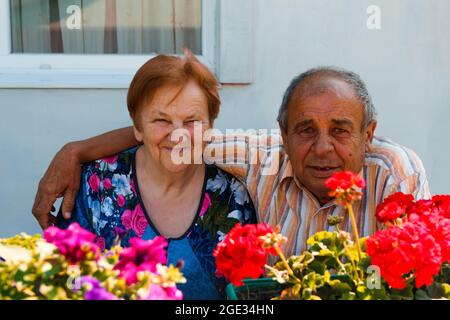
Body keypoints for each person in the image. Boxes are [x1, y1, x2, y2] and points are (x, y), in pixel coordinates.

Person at [33, 66, 430, 257]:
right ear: (282, 132)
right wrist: (77, 151)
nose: (323, 147)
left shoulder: (393, 173)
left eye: (341, 130)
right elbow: (172, 137)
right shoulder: (261, 157)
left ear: (369, 133)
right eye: (306, 129)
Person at [53, 52, 257, 300]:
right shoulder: (95, 185)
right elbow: (65, 284)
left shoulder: (233, 197)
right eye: (162, 120)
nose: (177, 135)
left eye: (192, 121)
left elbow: (247, 295)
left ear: (210, 126)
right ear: (137, 127)